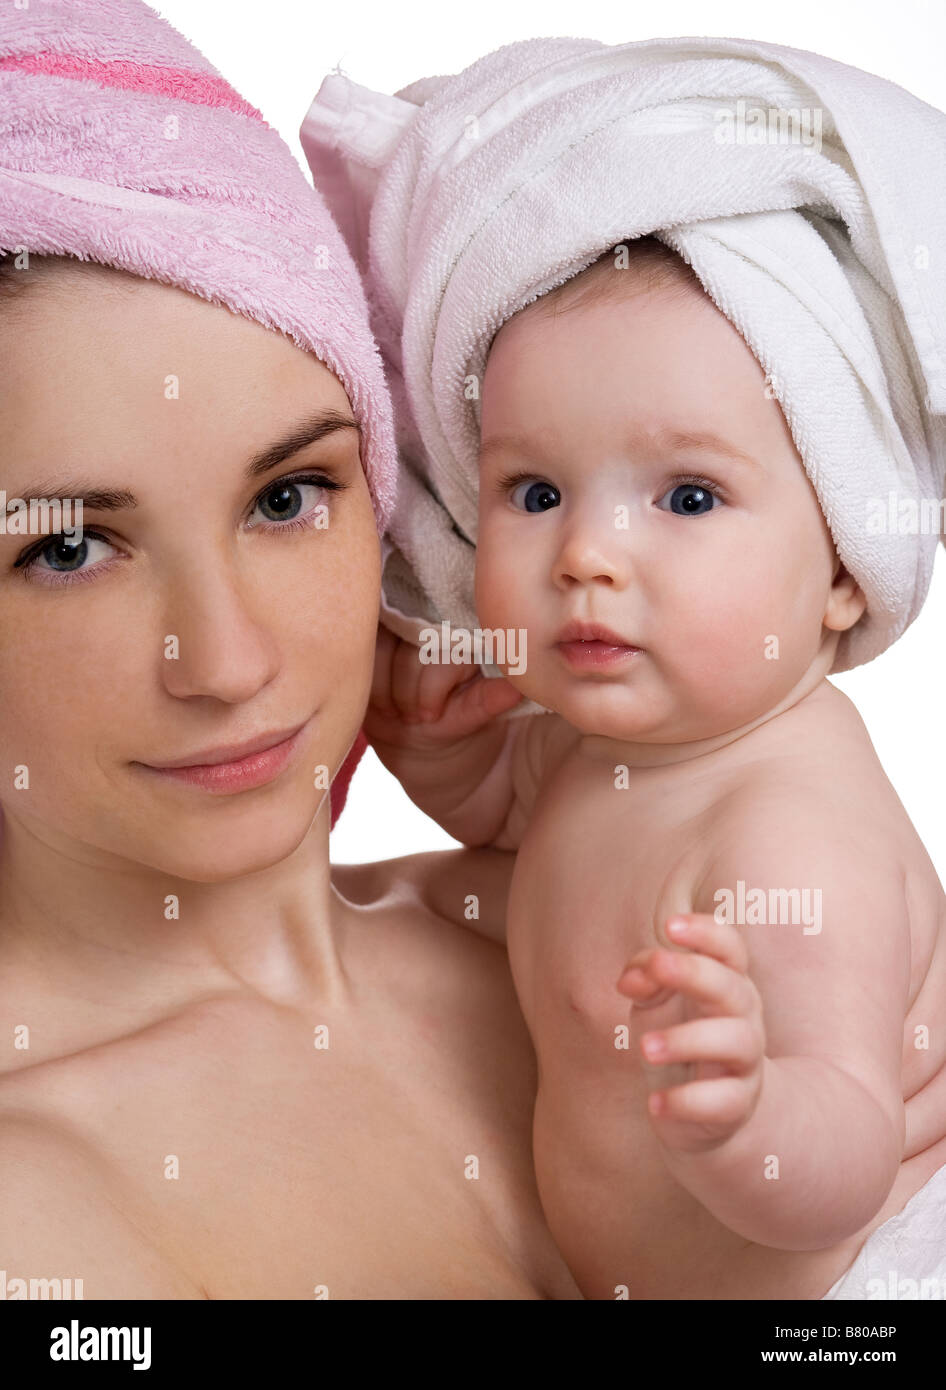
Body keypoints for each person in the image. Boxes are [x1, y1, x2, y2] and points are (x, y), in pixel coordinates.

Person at [0, 0, 580, 1302]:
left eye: (284, 497)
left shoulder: (578, 931)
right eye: (71, 547)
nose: (225, 659)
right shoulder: (30, 1209)